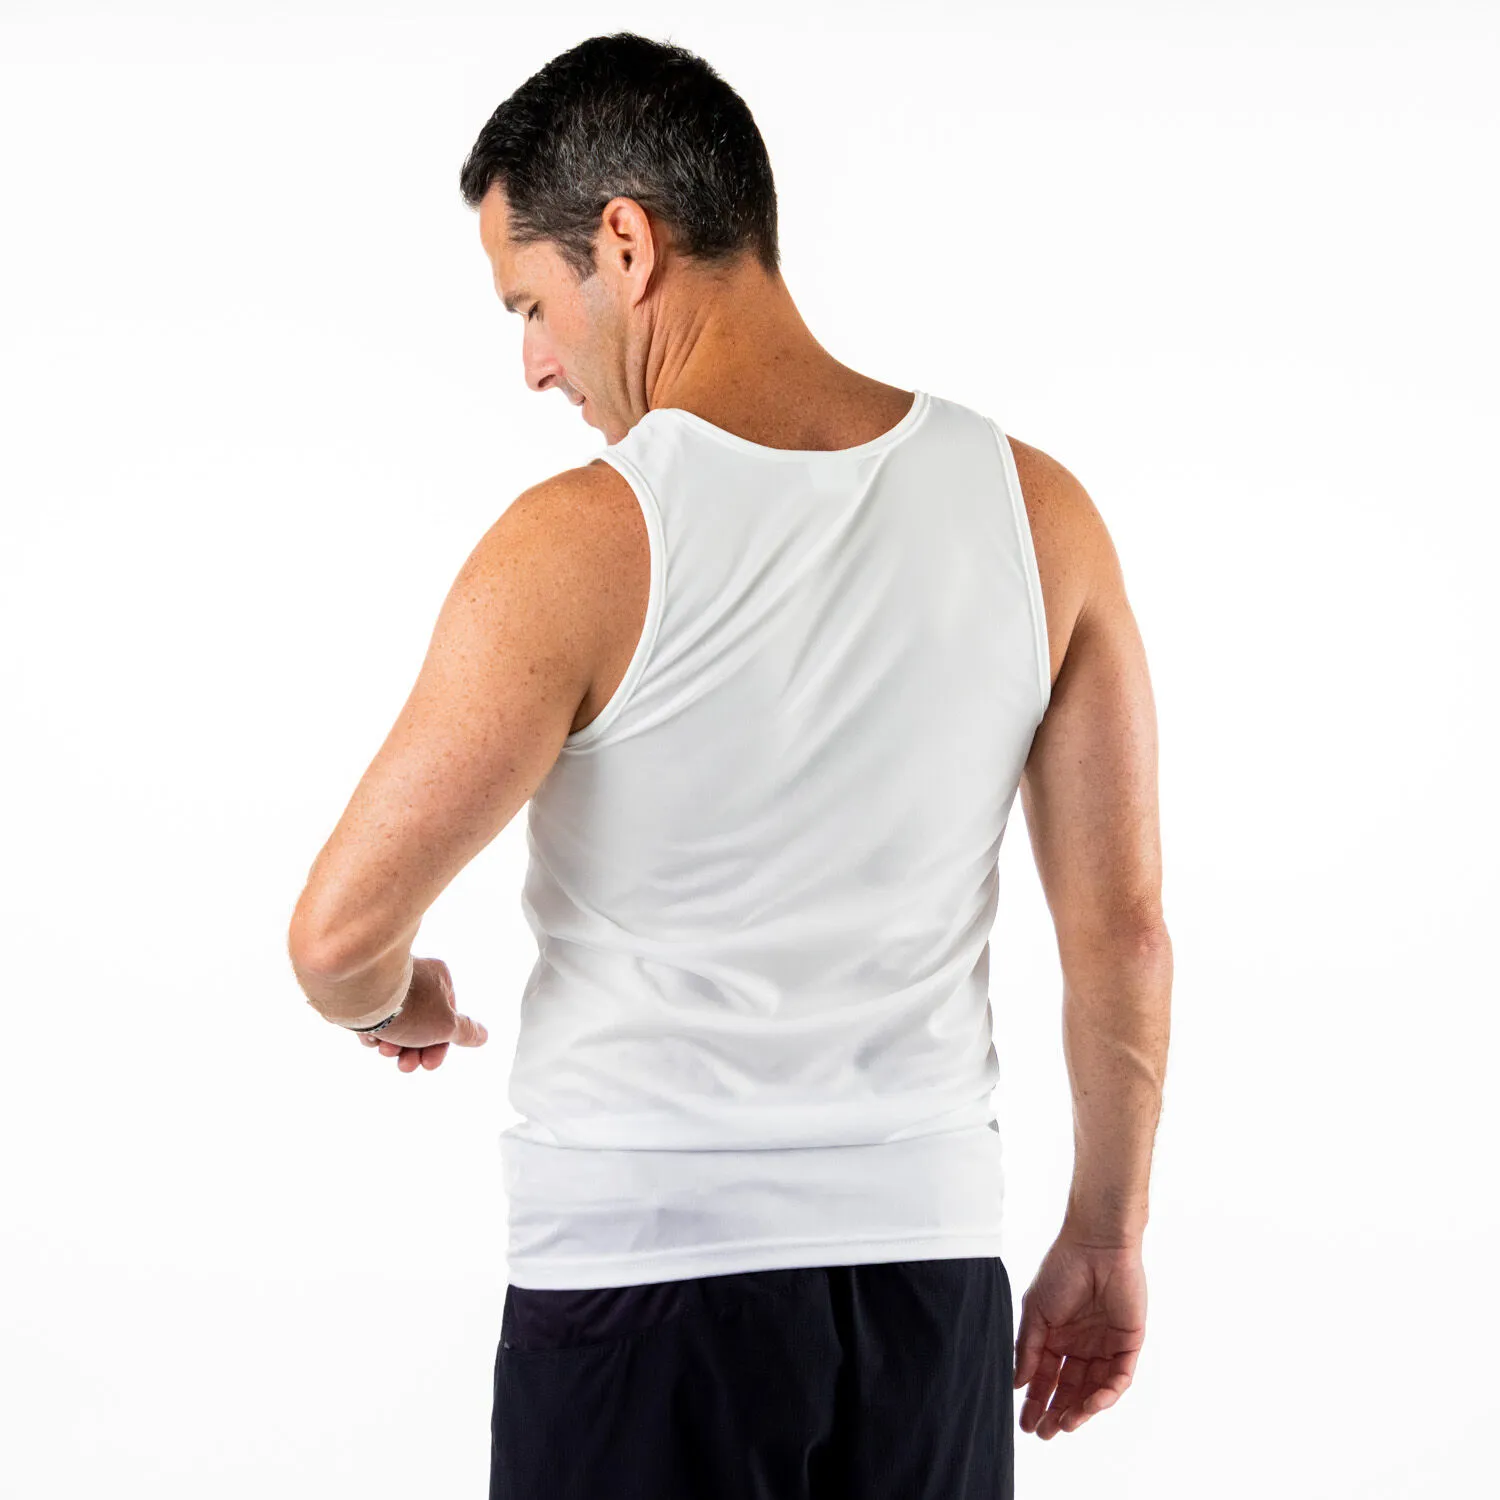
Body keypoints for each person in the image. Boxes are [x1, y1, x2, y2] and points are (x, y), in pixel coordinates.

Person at [287, 29, 1172, 1500]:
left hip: (640, 1285)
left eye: (532, 302)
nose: (533, 363)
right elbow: (1124, 933)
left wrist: (401, 1000)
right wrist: (1105, 1234)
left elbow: (335, 941)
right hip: (928, 1282)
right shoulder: (1040, 514)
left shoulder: (579, 544)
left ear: (625, 244)